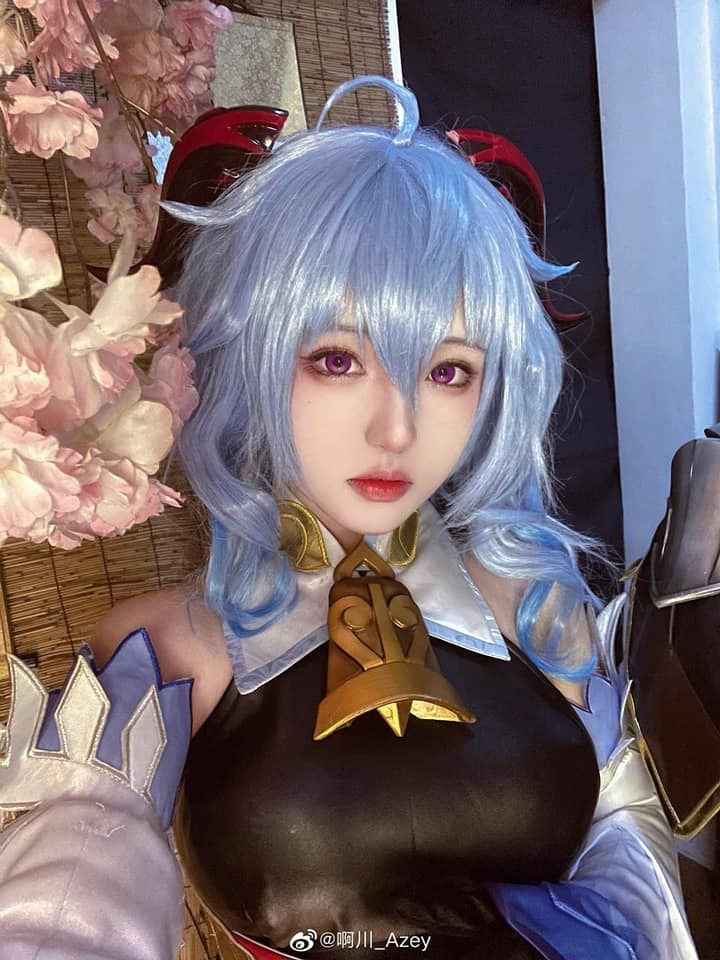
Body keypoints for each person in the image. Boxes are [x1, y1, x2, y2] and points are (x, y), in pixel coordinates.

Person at [0, 76, 698, 960]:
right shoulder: (166, 653)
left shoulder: (539, 610)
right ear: (250, 355)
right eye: (336, 359)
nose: (395, 429)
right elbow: (61, 913)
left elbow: (638, 870)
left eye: (448, 371)